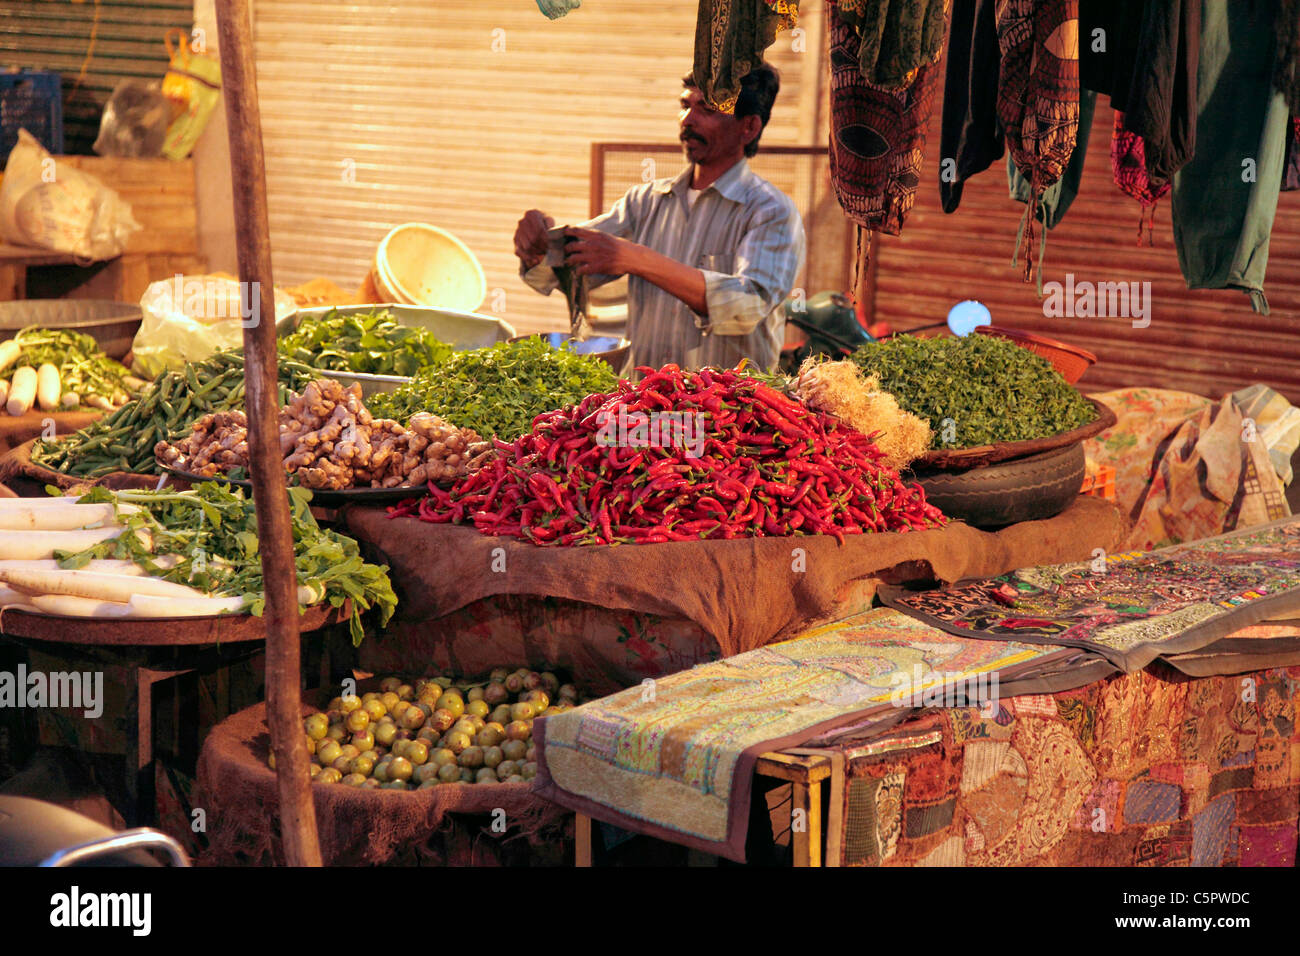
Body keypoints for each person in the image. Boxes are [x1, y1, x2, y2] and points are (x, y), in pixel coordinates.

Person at [514, 64, 805, 372]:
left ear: (749, 127)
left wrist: (637, 259)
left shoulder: (771, 212)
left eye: (705, 109)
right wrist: (540, 245)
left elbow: (747, 306)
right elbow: (571, 266)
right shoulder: (644, 202)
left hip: (726, 414)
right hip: (643, 407)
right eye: (684, 105)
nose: (687, 120)